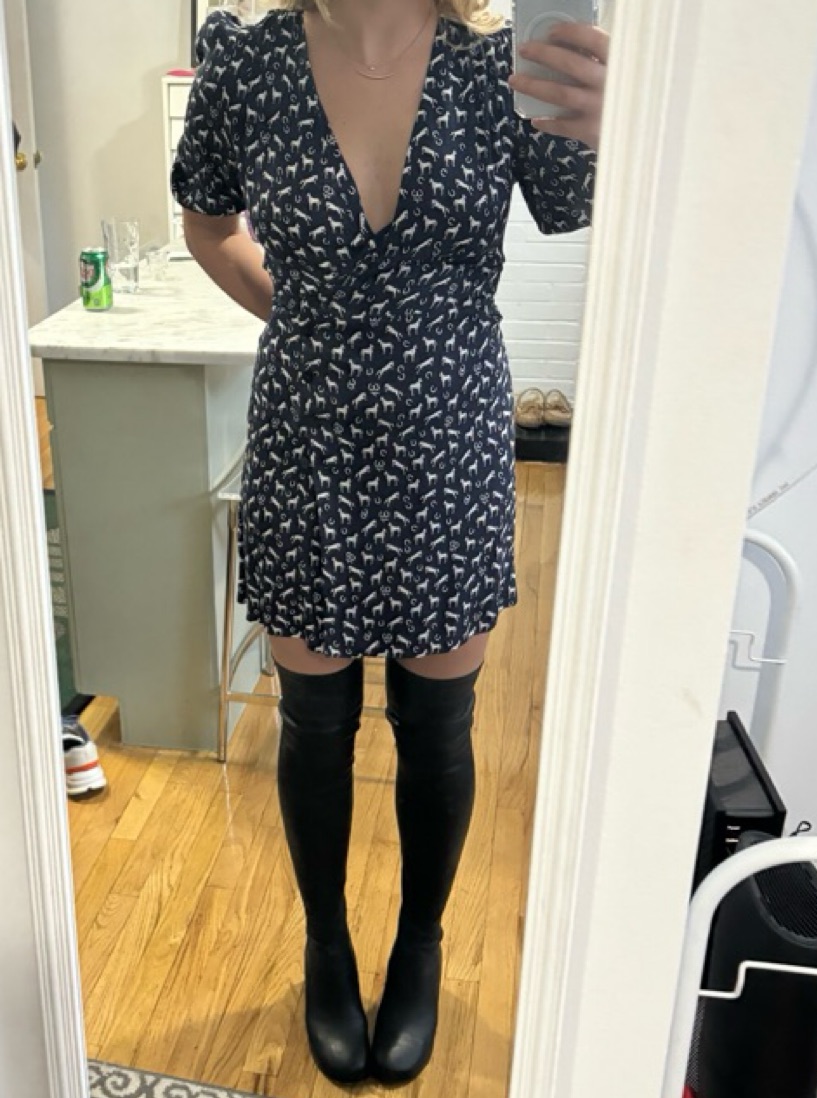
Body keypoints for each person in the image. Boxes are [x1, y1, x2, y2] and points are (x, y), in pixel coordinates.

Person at [171, 0, 606, 1084]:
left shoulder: (501, 67)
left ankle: (420, 944)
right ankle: (327, 946)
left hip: (450, 441)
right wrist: (303, 319)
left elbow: (577, 211)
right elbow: (207, 222)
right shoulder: (246, 61)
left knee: (438, 725)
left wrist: (609, 127)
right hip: (306, 436)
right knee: (313, 723)